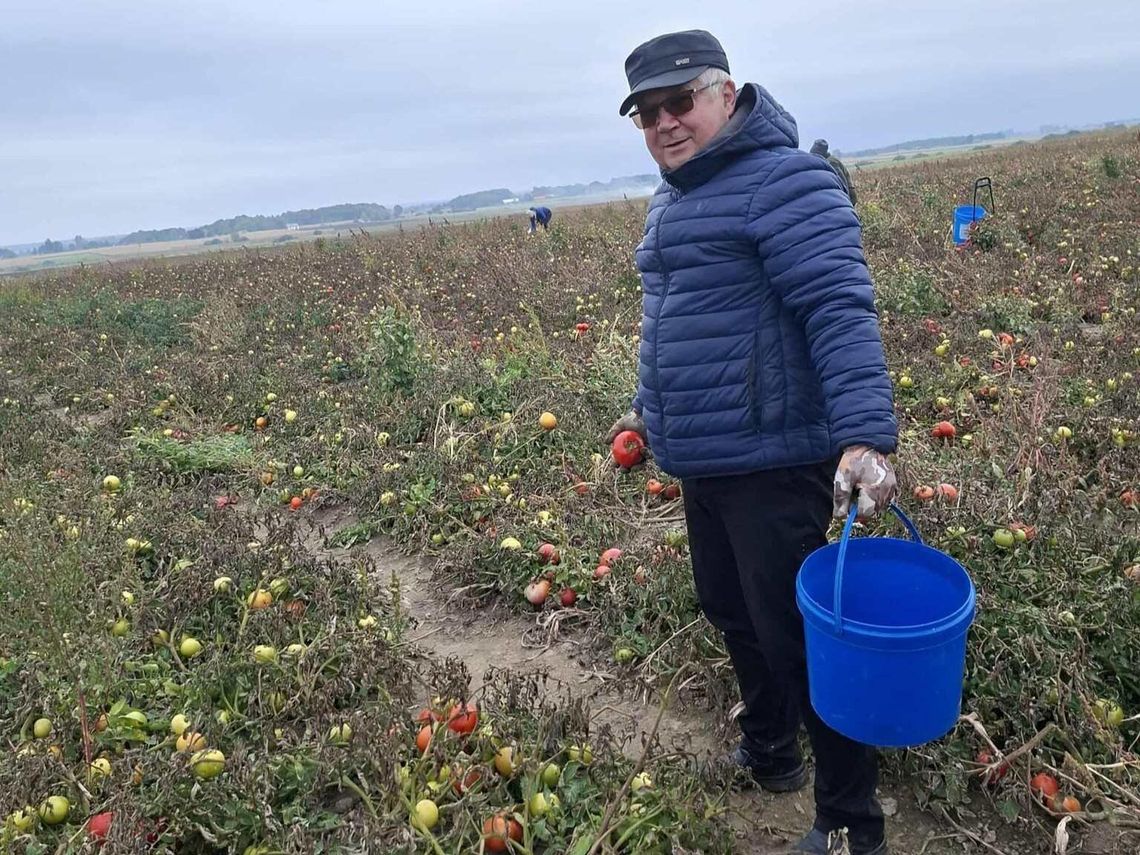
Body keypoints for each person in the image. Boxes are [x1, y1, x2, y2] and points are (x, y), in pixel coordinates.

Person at [607, 29, 898, 855]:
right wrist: (644, 411)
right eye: (646, 112)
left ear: (725, 95)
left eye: (679, 102)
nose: (663, 123)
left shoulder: (788, 182)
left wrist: (864, 437)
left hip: (773, 459)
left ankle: (850, 821)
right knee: (730, 609)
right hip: (703, 456)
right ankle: (771, 751)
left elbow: (839, 310)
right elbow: (675, 326)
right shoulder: (673, 198)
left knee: (803, 638)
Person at [810, 138, 857, 204]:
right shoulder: (827, 161)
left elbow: (842, 181)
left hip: (848, 196)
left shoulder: (831, 162)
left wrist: (845, 199)